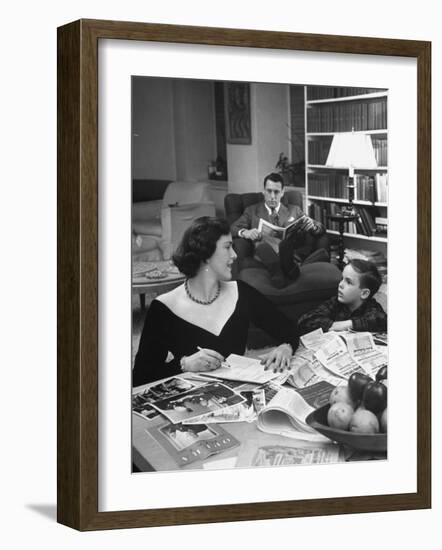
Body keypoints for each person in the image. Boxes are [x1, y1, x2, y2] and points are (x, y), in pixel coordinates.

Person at [133, 217, 299, 387]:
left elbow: (290, 329)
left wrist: (285, 347)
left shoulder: (241, 292)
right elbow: (141, 378)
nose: (234, 255)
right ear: (205, 254)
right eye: (227, 247)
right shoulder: (163, 308)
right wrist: (184, 364)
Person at [230, 172, 329, 283]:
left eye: (276, 192)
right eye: (269, 191)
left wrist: (313, 227)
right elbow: (233, 228)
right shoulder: (252, 211)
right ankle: (286, 270)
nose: (272, 196)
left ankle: (281, 271)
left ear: (282, 193)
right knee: (262, 246)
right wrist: (245, 232)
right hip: (265, 254)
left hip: (290, 254)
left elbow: (320, 227)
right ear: (264, 191)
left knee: (286, 245)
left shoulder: (294, 210)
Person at [297, 259, 387, 334]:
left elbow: (381, 320)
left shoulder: (372, 307)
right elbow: (306, 320)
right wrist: (333, 326)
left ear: (364, 294)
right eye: (342, 279)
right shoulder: (336, 302)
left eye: (348, 282)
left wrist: (345, 325)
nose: (340, 284)